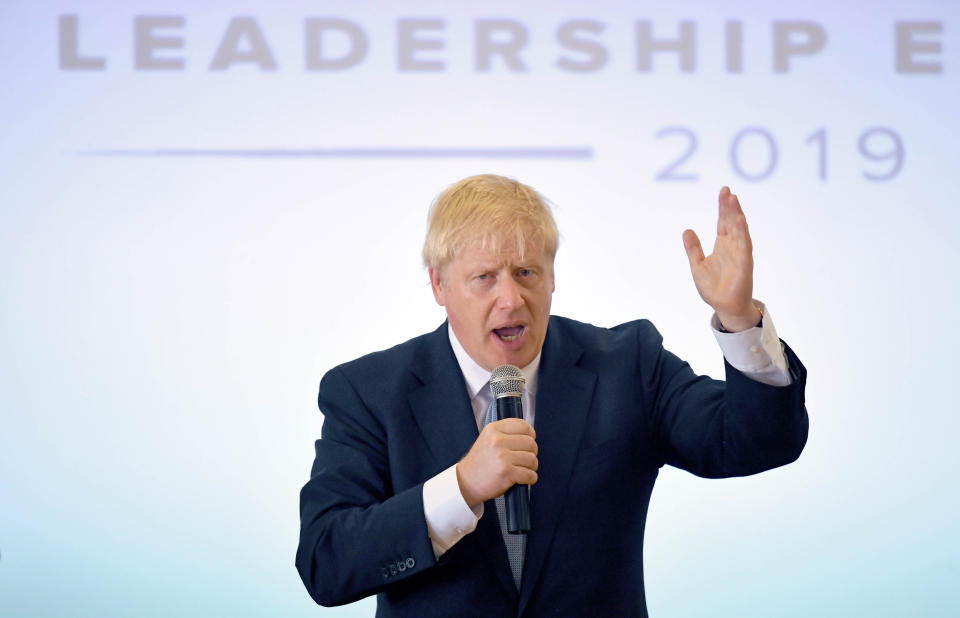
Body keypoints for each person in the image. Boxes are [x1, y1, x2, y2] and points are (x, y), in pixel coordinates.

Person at [296, 174, 807, 617]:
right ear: (438, 286)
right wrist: (461, 488)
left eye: (526, 273)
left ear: (552, 277)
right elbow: (326, 563)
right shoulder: (367, 393)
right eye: (485, 278)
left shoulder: (628, 365)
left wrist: (740, 319)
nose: (511, 298)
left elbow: (756, 442)